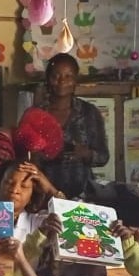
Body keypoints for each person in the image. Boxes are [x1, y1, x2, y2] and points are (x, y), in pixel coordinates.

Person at [37, 53, 109, 199]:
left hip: (84, 197)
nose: (62, 81)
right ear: (48, 79)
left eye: (68, 76)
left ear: (76, 79)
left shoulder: (89, 113)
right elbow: (25, 157)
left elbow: (103, 156)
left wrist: (85, 153)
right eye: (56, 76)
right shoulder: (37, 114)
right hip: (44, 196)